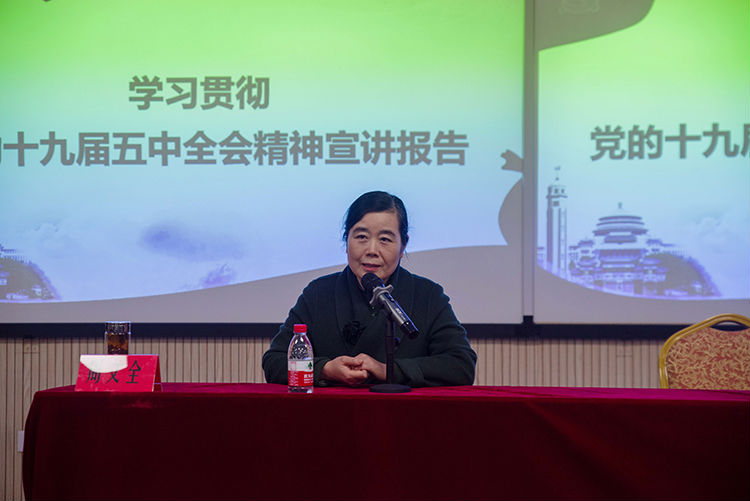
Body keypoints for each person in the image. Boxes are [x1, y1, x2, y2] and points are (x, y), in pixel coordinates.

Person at [262, 191, 477, 387]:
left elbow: (461, 365)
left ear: (403, 245)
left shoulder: (428, 296)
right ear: (346, 240)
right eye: (361, 237)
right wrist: (325, 369)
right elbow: (275, 361)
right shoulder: (318, 293)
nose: (372, 250)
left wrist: (387, 370)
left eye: (385, 239)